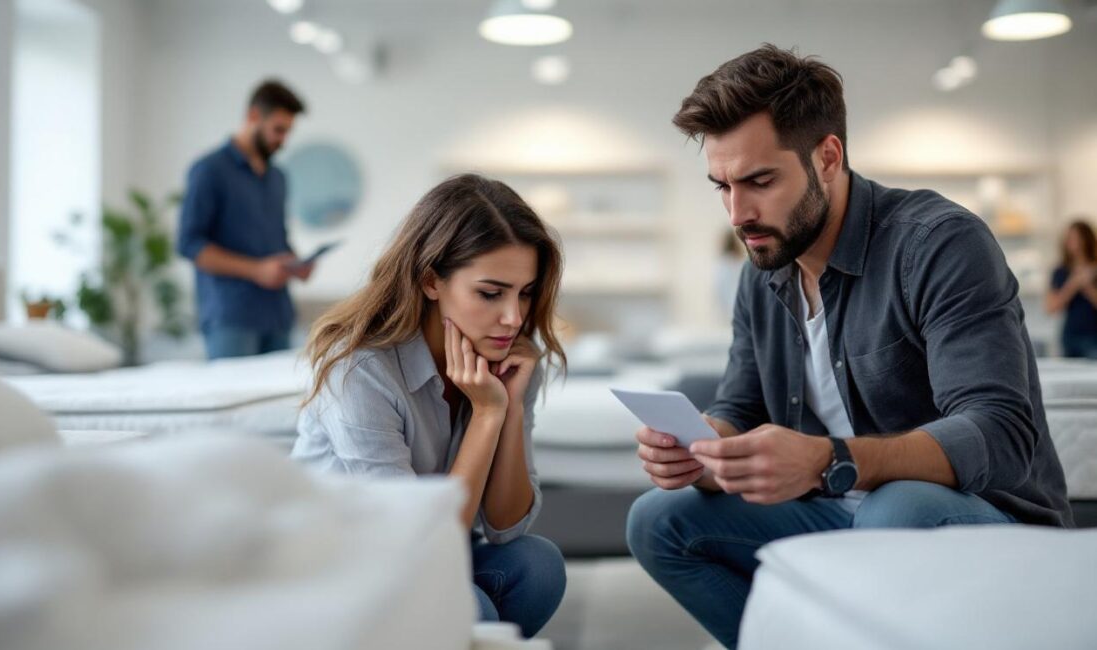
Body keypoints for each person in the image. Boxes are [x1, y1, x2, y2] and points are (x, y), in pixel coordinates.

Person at [625, 44, 1073, 650]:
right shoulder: (764, 267)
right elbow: (740, 405)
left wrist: (826, 459)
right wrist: (706, 448)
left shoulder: (937, 244)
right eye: (721, 186)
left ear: (827, 157)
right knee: (658, 519)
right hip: (842, 508)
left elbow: (999, 432)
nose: (738, 213)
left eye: (760, 181)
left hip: (978, 513)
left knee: (898, 508)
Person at [291, 174, 568, 637]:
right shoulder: (362, 372)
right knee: (470, 608)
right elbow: (422, 540)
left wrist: (509, 408)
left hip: (424, 552)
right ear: (430, 280)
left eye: (525, 292)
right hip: (344, 561)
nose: (513, 318)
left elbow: (505, 528)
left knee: (537, 566)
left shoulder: (511, 360)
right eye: (490, 292)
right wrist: (485, 415)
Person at [177, 79, 314, 360]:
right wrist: (256, 270)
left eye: (288, 132)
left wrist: (295, 264)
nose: (283, 141)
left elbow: (278, 238)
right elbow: (189, 243)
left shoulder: (278, 178)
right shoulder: (209, 171)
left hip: (278, 315)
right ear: (253, 116)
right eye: (278, 130)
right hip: (231, 318)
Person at [1045, 219, 1097, 358]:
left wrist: (1088, 286)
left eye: (1077, 238)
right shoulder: (1060, 271)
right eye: (1070, 238)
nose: (1073, 242)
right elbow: (1051, 308)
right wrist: (1073, 284)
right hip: (1070, 337)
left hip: (1093, 337)